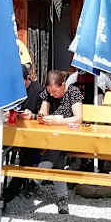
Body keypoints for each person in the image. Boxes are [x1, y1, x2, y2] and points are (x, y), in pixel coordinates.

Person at [25, 70, 83, 214]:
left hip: (70, 136)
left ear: (63, 85)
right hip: (52, 137)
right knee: (57, 158)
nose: (52, 94)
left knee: (55, 148)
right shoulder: (48, 93)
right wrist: (41, 116)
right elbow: (43, 113)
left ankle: (36, 178)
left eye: (55, 91)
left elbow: (78, 118)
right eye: (50, 91)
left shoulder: (73, 92)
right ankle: (62, 200)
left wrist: (58, 121)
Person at [3, 65, 46, 202]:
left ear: (27, 78)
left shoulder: (39, 90)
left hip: (32, 134)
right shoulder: (12, 90)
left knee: (28, 151)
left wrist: (33, 116)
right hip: (13, 130)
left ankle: (13, 188)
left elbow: (45, 116)